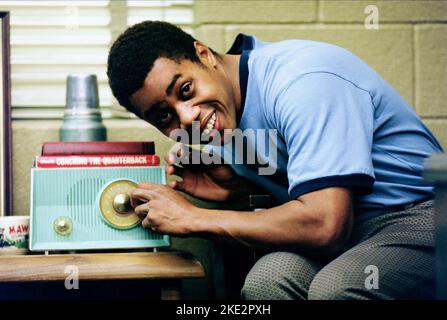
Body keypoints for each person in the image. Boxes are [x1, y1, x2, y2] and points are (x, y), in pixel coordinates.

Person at [107, 21, 443, 300]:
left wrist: (194, 217)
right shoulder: (223, 119)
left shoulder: (303, 81)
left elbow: (325, 225)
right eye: (164, 116)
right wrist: (236, 193)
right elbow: (305, 199)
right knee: (267, 282)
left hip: (422, 215)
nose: (186, 117)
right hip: (354, 229)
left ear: (204, 54)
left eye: (185, 90)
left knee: (337, 290)